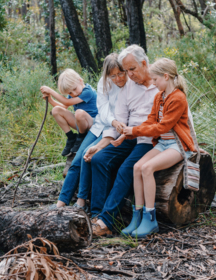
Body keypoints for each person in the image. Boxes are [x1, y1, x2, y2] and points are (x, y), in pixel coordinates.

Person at [88, 45, 159, 237]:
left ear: (144, 63)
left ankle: (106, 221)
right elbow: (119, 118)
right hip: (127, 136)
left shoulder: (160, 81)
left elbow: (181, 111)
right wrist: (102, 144)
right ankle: (96, 216)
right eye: (126, 70)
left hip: (148, 138)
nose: (128, 75)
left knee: (126, 168)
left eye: (132, 69)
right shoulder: (128, 86)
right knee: (99, 160)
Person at [121, 58, 196, 238]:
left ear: (166, 76)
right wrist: (129, 133)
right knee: (137, 167)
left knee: (147, 168)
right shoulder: (159, 97)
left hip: (178, 145)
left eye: (155, 80)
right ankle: (137, 216)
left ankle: (150, 218)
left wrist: (135, 130)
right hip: (163, 144)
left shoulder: (178, 98)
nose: (153, 84)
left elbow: (162, 127)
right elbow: (151, 121)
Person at [49, 55, 128, 211]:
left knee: (85, 157)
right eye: (112, 75)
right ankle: (62, 202)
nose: (116, 78)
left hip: (107, 129)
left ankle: (81, 201)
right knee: (77, 161)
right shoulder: (103, 85)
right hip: (98, 126)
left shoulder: (125, 87)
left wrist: (50, 91)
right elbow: (102, 111)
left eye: (120, 74)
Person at [40, 69, 98, 157]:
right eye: (70, 92)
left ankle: (81, 137)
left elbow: (67, 102)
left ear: (80, 80)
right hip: (80, 123)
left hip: (93, 123)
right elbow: (64, 107)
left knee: (79, 113)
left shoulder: (88, 91)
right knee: (56, 110)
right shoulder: (73, 94)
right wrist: (50, 99)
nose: (74, 93)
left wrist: (51, 91)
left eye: (74, 89)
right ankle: (71, 137)